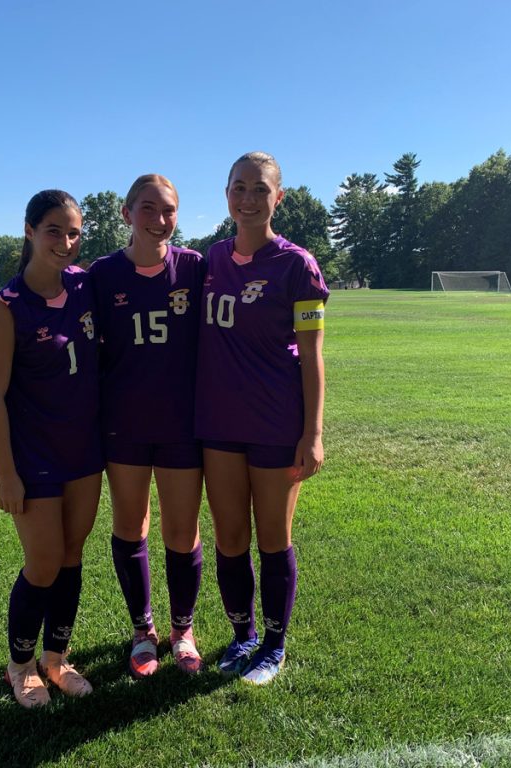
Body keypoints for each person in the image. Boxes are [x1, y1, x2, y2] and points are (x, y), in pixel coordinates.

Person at [195, 152, 329, 685]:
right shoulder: (211, 259)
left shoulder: (298, 265)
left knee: (273, 537)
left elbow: (313, 357)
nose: (248, 199)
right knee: (230, 537)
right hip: (219, 423)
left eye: (260, 189)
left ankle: (274, 646)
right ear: (226, 193)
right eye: (239, 187)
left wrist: (313, 434)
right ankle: (243, 635)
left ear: (279, 197)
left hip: (276, 422)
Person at [0, 190, 104, 708]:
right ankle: (20, 666)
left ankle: (56, 659)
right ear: (29, 231)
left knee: (71, 555)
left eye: (74, 233)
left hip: (84, 451)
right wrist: (5, 474)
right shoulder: (7, 308)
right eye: (55, 230)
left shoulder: (84, 286)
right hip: (34, 456)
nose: (66, 242)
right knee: (45, 561)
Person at [88, 175, 207, 678]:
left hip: (181, 423)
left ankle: (183, 630)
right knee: (130, 524)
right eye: (148, 209)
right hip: (124, 423)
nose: (159, 220)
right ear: (126, 213)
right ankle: (143, 631)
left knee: (182, 529)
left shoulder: (195, 267)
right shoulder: (102, 274)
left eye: (169, 210)